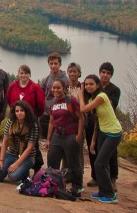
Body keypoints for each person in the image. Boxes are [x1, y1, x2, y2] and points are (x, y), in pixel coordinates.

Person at [79, 74, 122, 203]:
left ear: (97, 85)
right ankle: (103, 191)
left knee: (100, 163)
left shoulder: (101, 97)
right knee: (102, 163)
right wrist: (93, 140)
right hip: (103, 131)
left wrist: (81, 94)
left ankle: (110, 195)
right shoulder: (93, 97)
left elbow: (83, 109)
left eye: (91, 84)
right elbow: (97, 121)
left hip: (113, 133)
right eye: (86, 85)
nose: (88, 87)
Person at [46, 79, 84, 196]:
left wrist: (78, 136)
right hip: (57, 135)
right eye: (54, 88)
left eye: (58, 88)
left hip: (70, 135)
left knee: (73, 163)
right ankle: (54, 183)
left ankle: (77, 187)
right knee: (52, 160)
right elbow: (51, 122)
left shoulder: (70, 101)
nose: (56, 90)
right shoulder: (53, 103)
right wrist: (48, 139)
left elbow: (81, 118)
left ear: (64, 88)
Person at [0, 101, 39, 184]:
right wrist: (1, 160)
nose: (19, 113)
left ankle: (24, 171)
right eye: (17, 111)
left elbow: (30, 148)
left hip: (27, 157)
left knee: (13, 176)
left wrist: (16, 164)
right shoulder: (10, 122)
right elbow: (5, 142)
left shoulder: (33, 125)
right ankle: (18, 168)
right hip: (12, 154)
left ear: (26, 111)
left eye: (22, 110)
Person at [97, 62, 121, 191]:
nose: (105, 75)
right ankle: (97, 177)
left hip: (110, 126)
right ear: (99, 72)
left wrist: (102, 96)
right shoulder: (95, 86)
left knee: (111, 154)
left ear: (111, 75)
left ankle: (113, 179)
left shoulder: (114, 89)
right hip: (97, 123)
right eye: (103, 72)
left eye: (108, 73)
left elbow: (112, 105)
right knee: (95, 150)